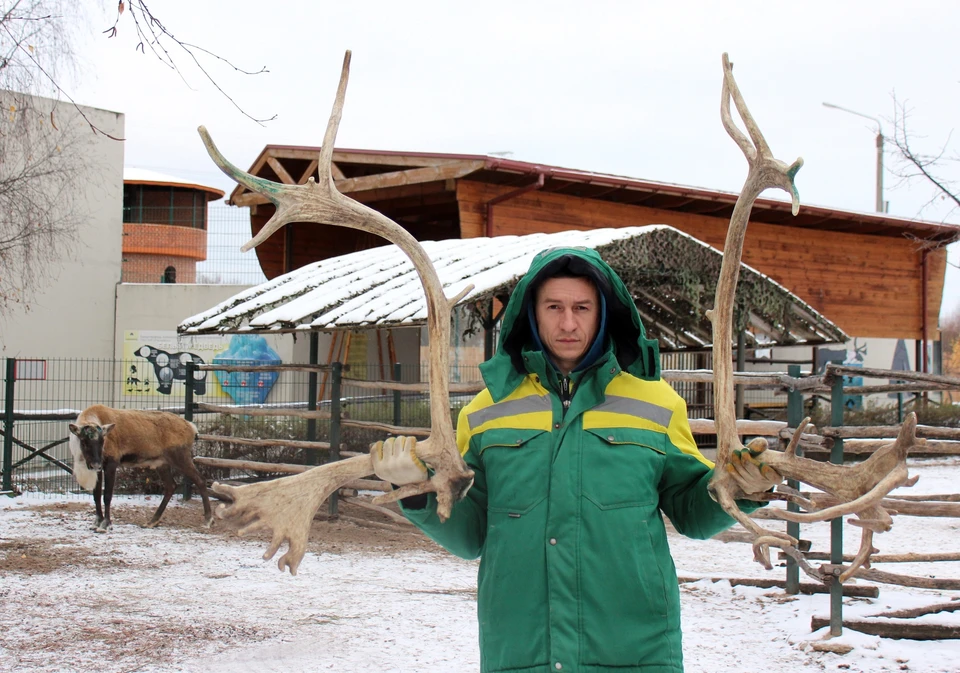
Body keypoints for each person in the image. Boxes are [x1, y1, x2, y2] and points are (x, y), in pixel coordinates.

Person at [370, 246, 781, 673]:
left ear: (603, 312)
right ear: (531, 312)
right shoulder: (485, 411)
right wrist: (415, 489)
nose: (568, 323)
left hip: (636, 652)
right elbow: (471, 533)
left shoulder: (657, 403)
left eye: (582, 307)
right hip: (523, 652)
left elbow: (692, 512)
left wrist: (739, 488)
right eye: (554, 307)